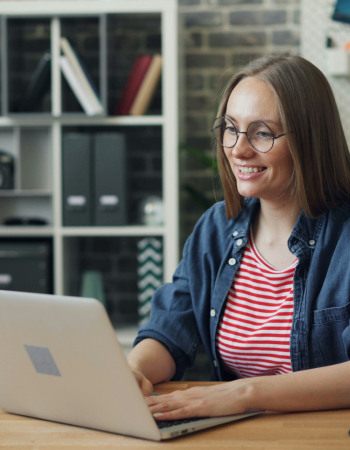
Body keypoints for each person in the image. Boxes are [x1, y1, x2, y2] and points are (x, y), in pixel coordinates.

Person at [127, 53, 350, 420]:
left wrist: (247, 393)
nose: (238, 148)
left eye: (262, 133)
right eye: (231, 128)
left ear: (310, 140)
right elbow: (169, 330)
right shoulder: (216, 228)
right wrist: (133, 370)